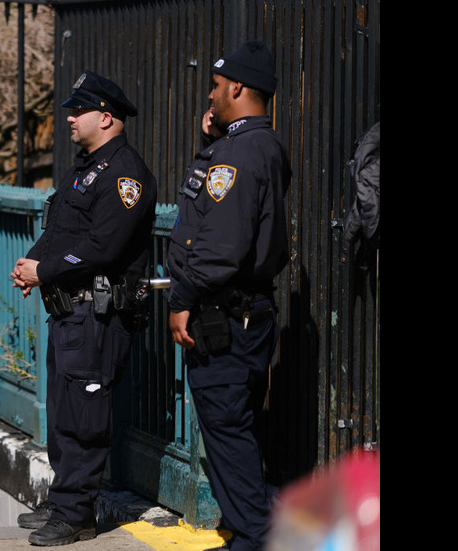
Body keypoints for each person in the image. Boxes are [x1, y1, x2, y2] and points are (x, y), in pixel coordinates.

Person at [11, 71, 156, 546]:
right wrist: (33, 260)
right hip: (70, 313)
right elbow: (62, 230)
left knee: (84, 417)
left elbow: (102, 247)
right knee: (62, 415)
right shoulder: (84, 169)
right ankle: (63, 502)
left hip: (98, 314)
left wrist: (45, 270)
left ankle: (75, 514)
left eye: (79, 111)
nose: (70, 118)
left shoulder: (124, 173)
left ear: (107, 117)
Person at [166, 41, 291, 551]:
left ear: (236, 87)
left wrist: (181, 299)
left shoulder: (237, 154)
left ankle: (258, 537)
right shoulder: (258, 146)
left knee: (226, 429)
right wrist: (214, 142)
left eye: (216, 86)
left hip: (224, 316)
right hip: (250, 314)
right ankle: (251, 531)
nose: (211, 95)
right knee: (240, 427)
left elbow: (218, 244)